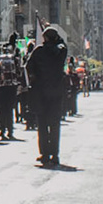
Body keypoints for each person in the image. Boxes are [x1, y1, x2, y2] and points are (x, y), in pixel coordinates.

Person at [25, 27, 70, 166]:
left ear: (45, 38)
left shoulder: (38, 51)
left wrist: (34, 78)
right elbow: (64, 46)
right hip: (56, 92)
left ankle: (44, 154)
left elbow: (28, 66)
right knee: (55, 124)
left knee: (42, 124)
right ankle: (55, 155)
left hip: (40, 92)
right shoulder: (60, 51)